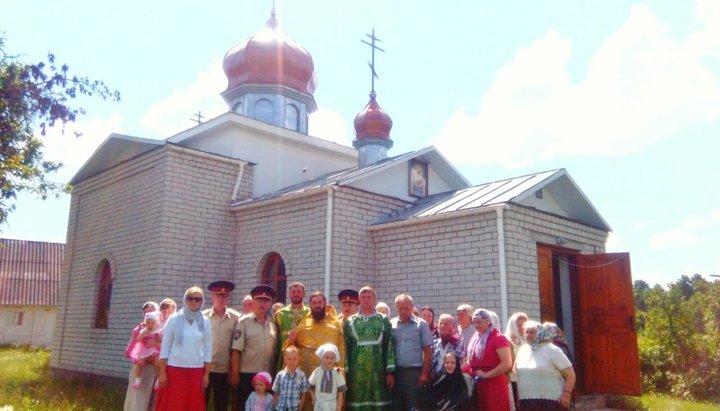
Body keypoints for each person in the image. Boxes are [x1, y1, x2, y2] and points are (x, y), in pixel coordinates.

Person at [155, 286, 213, 411]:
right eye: (190, 298)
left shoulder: (205, 321)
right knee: (172, 404)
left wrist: (206, 374)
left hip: (196, 371)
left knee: (192, 405)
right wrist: (162, 372)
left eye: (197, 299)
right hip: (174, 370)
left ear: (202, 301)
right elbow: (165, 348)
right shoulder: (174, 319)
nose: (193, 302)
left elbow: (208, 349)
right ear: (185, 300)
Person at [343, 286, 395, 410]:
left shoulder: (383, 321)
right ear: (359, 299)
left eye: (369, 297)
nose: (366, 300)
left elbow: (389, 346)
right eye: (363, 297)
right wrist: (346, 372)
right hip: (356, 373)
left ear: (374, 299)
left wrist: (390, 372)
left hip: (379, 372)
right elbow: (346, 348)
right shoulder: (350, 322)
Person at [284, 291, 346, 394]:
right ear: (310, 305)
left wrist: (341, 370)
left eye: (320, 302)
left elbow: (341, 350)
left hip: (328, 371)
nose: (317, 305)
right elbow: (293, 348)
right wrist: (292, 340)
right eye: (314, 303)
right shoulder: (304, 322)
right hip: (305, 371)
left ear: (325, 304)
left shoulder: (335, 324)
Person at [230, 285, 278, 408]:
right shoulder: (243, 322)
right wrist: (235, 376)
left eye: (266, 300)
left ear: (270, 303)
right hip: (248, 375)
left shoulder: (273, 324)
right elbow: (236, 350)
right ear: (253, 301)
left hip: (267, 375)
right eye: (259, 300)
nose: (262, 303)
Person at [515, 322, 576, 411]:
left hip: (550, 401)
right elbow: (518, 375)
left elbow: (570, 374)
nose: (528, 335)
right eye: (526, 332)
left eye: (532, 332)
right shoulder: (523, 350)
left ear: (540, 333)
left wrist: (567, 394)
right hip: (526, 400)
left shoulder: (552, 350)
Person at [203, 280, 241, 411]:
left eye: (224, 295)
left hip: (224, 370)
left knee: (222, 404)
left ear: (228, 297)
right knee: (202, 403)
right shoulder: (203, 317)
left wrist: (233, 370)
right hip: (204, 369)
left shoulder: (236, 318)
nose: (220, 298)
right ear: (212, 296)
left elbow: (236, 345)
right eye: (217, 294)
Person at [390, 293, 433, 410]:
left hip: (415, 373)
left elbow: (428, 351)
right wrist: (389, 373)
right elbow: (388, 349)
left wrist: (424, 373)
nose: (403, 311)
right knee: (397, 406)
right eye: (400, 308)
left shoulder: (422, 325)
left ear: (412, 307)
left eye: (406, 308)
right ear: (396, 308)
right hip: (396, 372)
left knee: (414, 406)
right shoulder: (391, 324)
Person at [465, 308, 512, 411]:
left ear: (488, 321)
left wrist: (486, 375)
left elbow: (507, 363)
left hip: (494, 383)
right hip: (478, 383)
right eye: (474, 322)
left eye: (479, 322)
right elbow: (470, 361)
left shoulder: (498, 338)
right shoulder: (475, 338)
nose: (476, 325)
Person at [123, 301, 160, 411]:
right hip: (141, 365)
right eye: (146, 312)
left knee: (152, 396)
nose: (149, 314)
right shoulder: (140, 328)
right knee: (138, 396)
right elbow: (133, 343)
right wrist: (130, 354)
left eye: (152, 311)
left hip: (153, 367)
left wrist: (155, 345)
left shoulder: (160, 329)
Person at [274, 282, 311, 372]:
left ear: (304, 294)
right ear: (289, 294)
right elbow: (275, 338)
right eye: (293, 292)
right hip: (284, 355)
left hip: (303, 353)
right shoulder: (280, 314)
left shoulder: (310, 313)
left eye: (299, 292)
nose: (296, 294)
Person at [308, 343, 346, 411]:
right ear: (322, 358)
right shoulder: (317, 371)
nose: (329, 360)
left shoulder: (337, 373)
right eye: (327, 357)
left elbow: (340, 392)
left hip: (331, 406)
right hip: (319, 405)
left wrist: (338, 407)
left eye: (332, 358)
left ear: (335, 359)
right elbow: (310, 386)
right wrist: (314, 397)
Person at [129, 311, 162, 389]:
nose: (150, 325)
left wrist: (157, 339)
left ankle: (158, 379)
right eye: (148, 323)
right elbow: (138, 340)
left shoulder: (157, 332)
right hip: (145, 350)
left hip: (154, 351)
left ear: (156, 324)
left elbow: (159, 341)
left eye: (152, 323)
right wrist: (143, 335)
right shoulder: (144, 331)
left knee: (157, 363)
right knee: (140, 362)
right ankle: (137, 380)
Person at [273, 345, 309, 411]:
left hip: (293, 408)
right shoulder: (280, 375)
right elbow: (276, 392)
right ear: (285, 359)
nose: (292, 362)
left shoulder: (301, 375)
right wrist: (274, 406)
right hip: (280, 408)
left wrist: (300, 408)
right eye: (289, 359)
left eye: (295, 359)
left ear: (298, 359)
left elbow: (303, 394)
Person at [505, 312, 528, 410]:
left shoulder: (528, 340)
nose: (522, 328)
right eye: (519, 325)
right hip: (513, 379)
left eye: (524, 325)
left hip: (526, 379)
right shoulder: (506, 340)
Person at [430, 314, 465, 379]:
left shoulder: (458, 344)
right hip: (435, 381)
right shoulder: (434, 343)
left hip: (452, 380)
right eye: (440, 323)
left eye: (446, 324)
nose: (442, 326)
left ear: (452, 326)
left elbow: (461, 364)